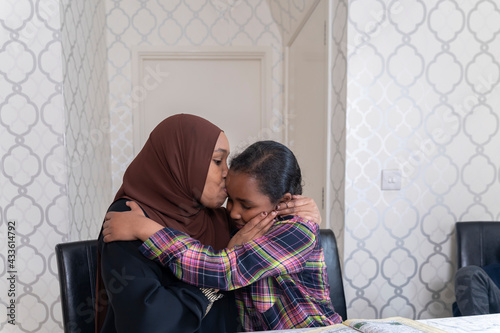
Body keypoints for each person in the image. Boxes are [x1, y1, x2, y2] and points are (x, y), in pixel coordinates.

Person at [96, 114, 321, 332]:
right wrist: (211, 284)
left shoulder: (220, 219)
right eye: (217, 161)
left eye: (226, 161)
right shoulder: (129, 218)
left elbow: (229, 263)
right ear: (180, 162)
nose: (227, 173)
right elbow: (148, 323)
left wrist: (309, 213)